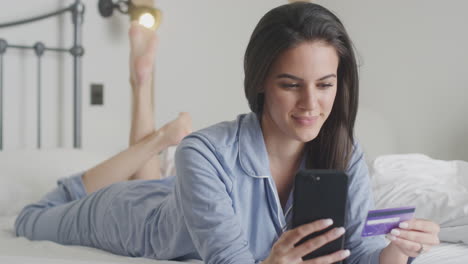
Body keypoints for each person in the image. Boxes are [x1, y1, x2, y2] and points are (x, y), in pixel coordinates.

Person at [14, 2, 440, 264]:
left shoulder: (344, 152)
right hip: (133, 217)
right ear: (259, 81)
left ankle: (157, 135)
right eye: (291, 84)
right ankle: (154, 128)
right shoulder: (203, 151)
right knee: (32, 218)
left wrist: (399, 250)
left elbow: (355, 254)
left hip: (181, 200)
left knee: (158, 184)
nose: (312, 104)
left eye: (325, 84)